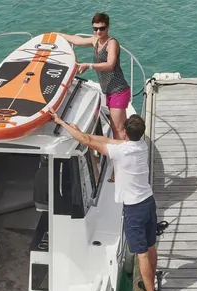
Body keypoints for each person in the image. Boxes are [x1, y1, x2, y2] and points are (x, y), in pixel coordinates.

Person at [49, 110, 159, 291]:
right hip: (148, 202)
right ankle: (151, 283)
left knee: (141, 254)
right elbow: (104, 139)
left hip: (134, 209)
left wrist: (60, 122)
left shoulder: (121, 152)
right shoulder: (140, 146)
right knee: (151, 246)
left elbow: (86, 140)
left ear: (125, 133)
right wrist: (82, 131)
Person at [58, 13, 132, 180]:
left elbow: (110, 64)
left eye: (102, 28)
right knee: (117, 129)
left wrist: (89, 65)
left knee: (118, 130)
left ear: (108, 27)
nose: (98, 32)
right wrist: (58, 36)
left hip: (118, 90)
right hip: (110, 91)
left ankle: (121, 167)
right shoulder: (95, 41)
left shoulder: (111, 43)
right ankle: (124, 158)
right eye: (95, 29)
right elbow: (76, 40)